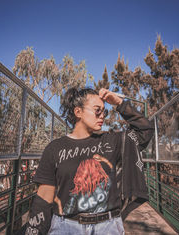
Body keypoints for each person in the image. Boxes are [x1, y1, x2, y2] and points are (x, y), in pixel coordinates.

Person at [25, 88, 154, 235]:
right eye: (97, 110)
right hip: (65, 227)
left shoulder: (112, 141)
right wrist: (34, 231)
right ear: (78, 112)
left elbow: (145, 130)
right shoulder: (55, 148)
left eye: (104, 111)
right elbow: (44, 197)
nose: (102, 116)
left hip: (108, 227)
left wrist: (119, 103)